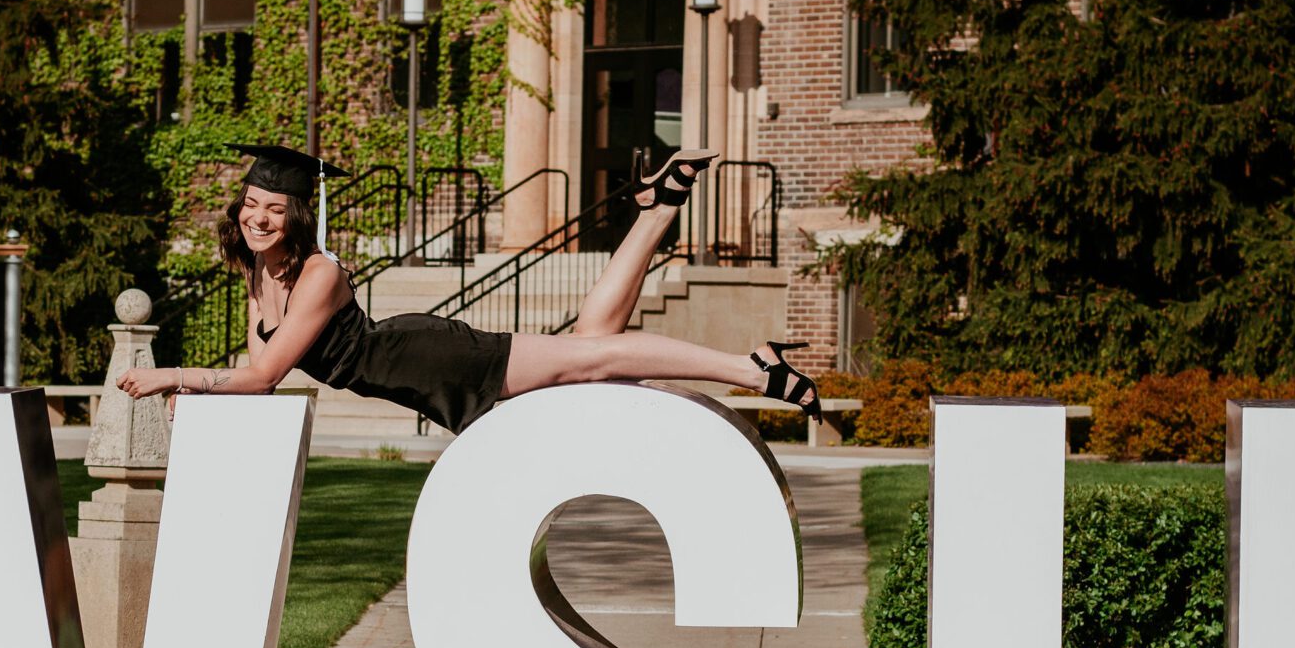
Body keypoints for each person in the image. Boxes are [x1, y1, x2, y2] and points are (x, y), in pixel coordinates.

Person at [114, 144, 823, 429]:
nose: (258, 218)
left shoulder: (320, 271)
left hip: (434, 358)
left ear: (296, 214)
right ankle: (658, 208)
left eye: (274, 209)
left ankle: (747, 368)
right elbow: (249, 373)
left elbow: (266, 373)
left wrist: (173, 376)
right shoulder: (258, 274)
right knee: (588, 343)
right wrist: (202, 403)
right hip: (420, 378)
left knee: (595, 360)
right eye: (250, 206)